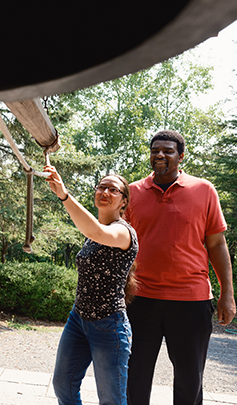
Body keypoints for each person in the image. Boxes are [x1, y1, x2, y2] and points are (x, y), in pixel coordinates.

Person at [124, 130, 236, 405]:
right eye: (155, 150)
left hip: (191, 300)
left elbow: (217, 245)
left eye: (168, 151)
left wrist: (227, 294)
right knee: (133, 377)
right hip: (140, 299)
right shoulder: (134, 192)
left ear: (181, 155)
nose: (160, 155)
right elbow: (119, 242)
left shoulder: (204, 190)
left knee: (190, 381)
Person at [44, 164, 139, 405]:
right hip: (78, 320)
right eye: (101, 187)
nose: (105, 192)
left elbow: (96, 232)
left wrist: (64, 195)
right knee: (63, 386)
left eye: (113, 190)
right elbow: (93, 230)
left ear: (124, 202)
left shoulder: (124, 232)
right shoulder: (93, 233)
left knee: (111, 400)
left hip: (109, 325)